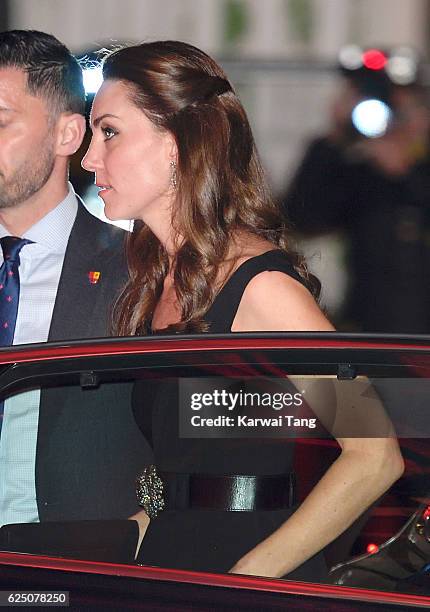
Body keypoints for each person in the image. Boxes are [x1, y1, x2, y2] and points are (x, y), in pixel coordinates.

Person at [82, 40, 404, 579]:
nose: (90, 157)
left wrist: (253, 574)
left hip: (242, 575)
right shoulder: (153, 280)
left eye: (109, 131)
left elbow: (375, 456)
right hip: (172, 566)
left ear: (177, 145)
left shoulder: (262, 288)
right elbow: (187, 478)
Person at [0, 30, 151, 528]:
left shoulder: (139, 270)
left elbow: (192, 437)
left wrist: (145, 521)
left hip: (69, 568)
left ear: (67, 135)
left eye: (1, 123)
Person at [283, 68, 430, 333]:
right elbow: (303, 218)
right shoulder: (356, 163)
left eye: (405, 107)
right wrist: (335, 141)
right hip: (369, 322)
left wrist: (407, 173)